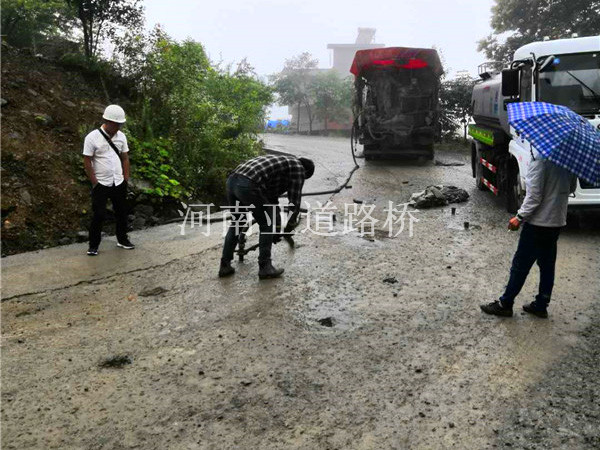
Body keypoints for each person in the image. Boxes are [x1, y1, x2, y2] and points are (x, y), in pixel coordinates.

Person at [480, 157, 576, 318]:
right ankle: (541, 305)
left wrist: (519, 217)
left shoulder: (540, 162)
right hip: (557, 221)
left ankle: (505, 304)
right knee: (547, 265)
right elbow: (571, 187)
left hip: (538, 223)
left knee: (520, 265)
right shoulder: (569, 162)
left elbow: (534, 197)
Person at [219, 154, 315, 279]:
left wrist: (277, 228)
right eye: (303, 178)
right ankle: (265, 267)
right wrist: (289, 227)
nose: (301, 180)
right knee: (266, 223)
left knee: (238, 223)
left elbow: (272, 201)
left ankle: (224, 265)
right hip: (249, 183)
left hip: (232, 181)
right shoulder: (298, 168)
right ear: (305, 172)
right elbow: (294, 203)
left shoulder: (282, 164)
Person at [83, 104, 135, 256]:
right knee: (98, 214)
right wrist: (94, 182)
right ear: (106, 120)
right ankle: (93, 245)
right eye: (115, 123)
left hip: (118, 181)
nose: (118, 127)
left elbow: (125, 158)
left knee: (121, 212)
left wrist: (125, 179)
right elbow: (87, 160)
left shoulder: (121, 137)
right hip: (101, 183)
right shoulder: (92, 137)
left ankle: (122, 239)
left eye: (120, 124)